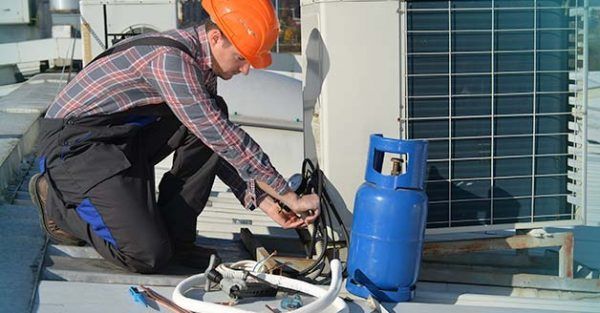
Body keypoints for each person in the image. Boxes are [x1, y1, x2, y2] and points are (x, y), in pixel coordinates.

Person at [29, 0, 320, 274]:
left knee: (212, 112)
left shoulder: (199, 64)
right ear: (217, 37)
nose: (245, 69)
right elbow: (224, 138)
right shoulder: (171, 60)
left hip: (117, 140)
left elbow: (211, 139)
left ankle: (178, 241)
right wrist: (289, 195)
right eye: (241, 58)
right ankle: (53, 201)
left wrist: (266, 201)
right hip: (75, 147)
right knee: (147, 254)